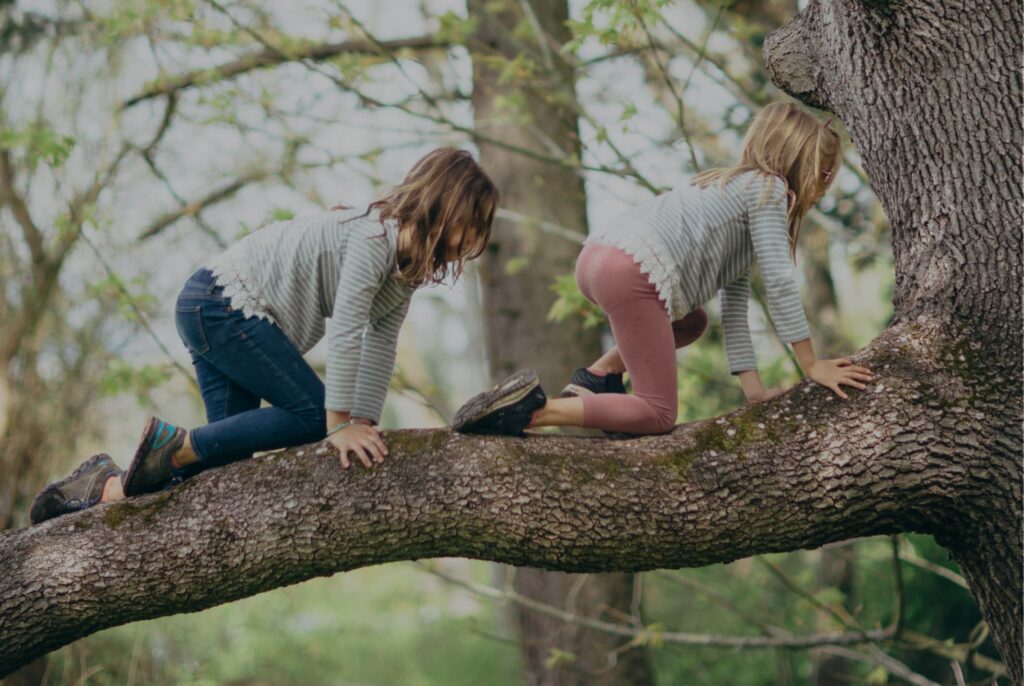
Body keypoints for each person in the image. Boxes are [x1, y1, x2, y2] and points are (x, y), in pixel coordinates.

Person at [30, 147, 499, 525]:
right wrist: (339, 424)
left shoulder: (404, 271)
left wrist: (365, 424)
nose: (472, 237)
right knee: (315, 416)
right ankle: (172, 444)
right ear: (445, 202)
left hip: (220, 312)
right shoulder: (374, 238)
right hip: (219, 303)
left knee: (222, 467)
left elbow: (380, 343)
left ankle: (101, 487)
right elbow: (350, 331)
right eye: (470, 223)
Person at [452, 103, 871, 437]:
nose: (823, 186)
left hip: (599, 257)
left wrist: (754, 391)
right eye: (824, 174)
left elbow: (736, 311)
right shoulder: (769, 190)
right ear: (801, 162)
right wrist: (811, 364)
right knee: (657, 412)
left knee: (692, 322)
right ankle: (531, 412)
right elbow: (780, 280)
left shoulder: (725, 190)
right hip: (631, 270)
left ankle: (597, 377)